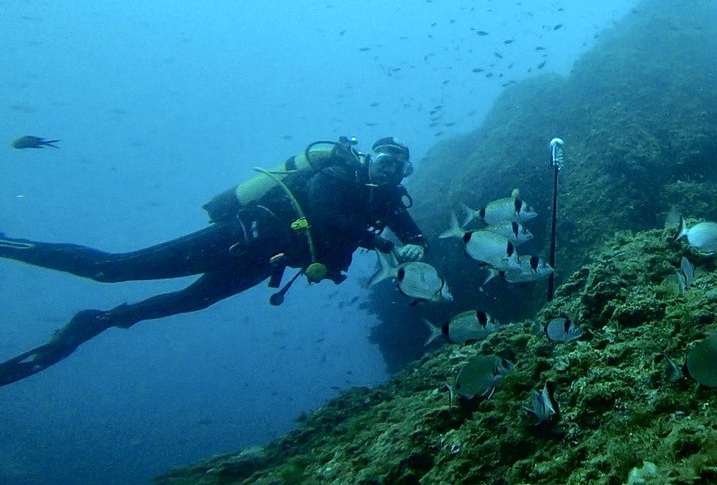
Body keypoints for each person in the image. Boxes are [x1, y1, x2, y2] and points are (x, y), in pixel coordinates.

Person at [0, 136, 428, 386]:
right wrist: (384, 246)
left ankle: (99, 321)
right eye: (385, 161)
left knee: (193, 302)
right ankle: (9, 245)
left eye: (400, 167)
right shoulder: (337, 175)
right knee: (116, 268)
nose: (390, 171)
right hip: (239, 239)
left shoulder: (387, 201)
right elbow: (324, 215)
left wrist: (415, 247)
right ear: (370, 158)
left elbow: (415, 235)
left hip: (263, 263)